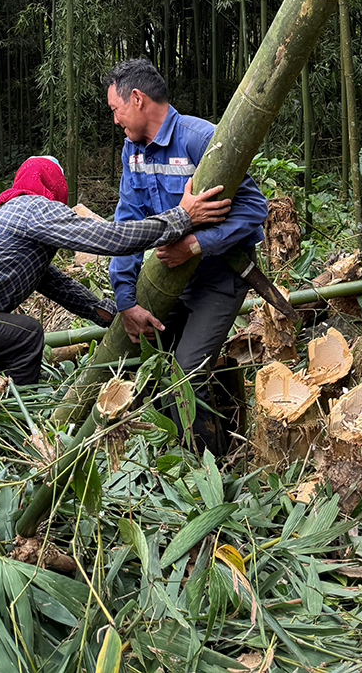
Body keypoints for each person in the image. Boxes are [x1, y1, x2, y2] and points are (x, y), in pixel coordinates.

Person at [0, 154, 231, 385]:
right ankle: (15, 422)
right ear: (54, 190)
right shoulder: (35, 207)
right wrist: (181, 218)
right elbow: (111, 238)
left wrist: (110, 312)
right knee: (25, 336)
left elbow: (55, 284)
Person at [104, 60, 268, 448]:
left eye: (115, 109)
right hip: (171, 280)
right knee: (146, 363)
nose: (115, 121)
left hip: (218, 280)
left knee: (186, 373)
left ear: (138, 99)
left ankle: (205, 469)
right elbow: (127, 221)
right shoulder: (134, 152)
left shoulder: (200, 139)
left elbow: (254, 210)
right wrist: (126, 299)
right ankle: (170, 450)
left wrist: (195, 245)